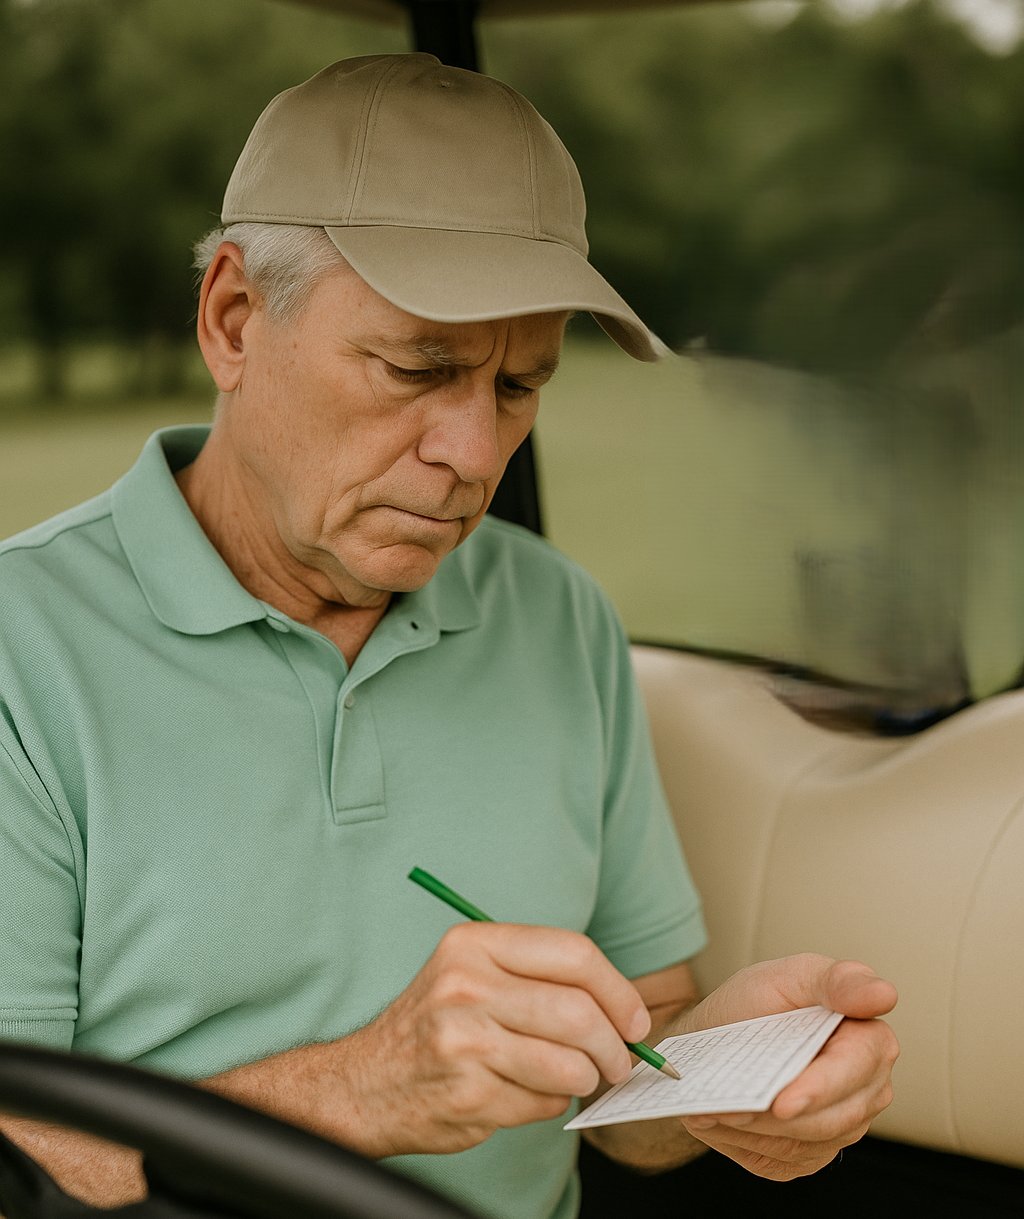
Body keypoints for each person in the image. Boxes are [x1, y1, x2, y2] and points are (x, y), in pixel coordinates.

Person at [0, 54, 897, 1219]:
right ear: (233, 320)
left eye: (519, 386)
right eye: (417, 367)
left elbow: (635, 1052)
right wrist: (361, 1091)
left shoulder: (557, 615)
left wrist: (723, 1077)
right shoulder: (24, 647)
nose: (474, 454)